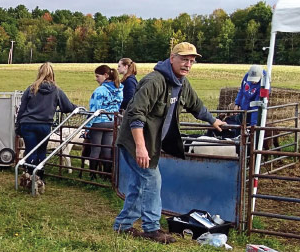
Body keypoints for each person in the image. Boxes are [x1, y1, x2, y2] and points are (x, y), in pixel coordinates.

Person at [113, 42, 225, 244]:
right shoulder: (154, 82)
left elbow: (196, 106)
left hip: (151, 144)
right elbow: (135, 114)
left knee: (140, 184)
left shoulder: (182, 84)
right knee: (152, 180)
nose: (188, 64)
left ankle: (123, 225)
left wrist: (213, 120)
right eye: (184, 59)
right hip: (134, 141)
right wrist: (140, 147)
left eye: (191, 61)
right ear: (172, 58)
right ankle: (151, 228)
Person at [15, 62, 78, 183]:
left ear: (39, 73)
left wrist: (18, 126)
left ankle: (28, 176)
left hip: (27, 124)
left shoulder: (31, 88)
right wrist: (78, 107)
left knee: (30, 149)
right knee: (41, 150)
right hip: (44, 125)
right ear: (52, 74)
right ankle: (39, 177)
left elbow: (21, 109)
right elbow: (67, 107)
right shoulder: (56, 90)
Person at [85, 65, 122, 177]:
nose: (96, 79)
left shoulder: (100, 90)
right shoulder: (119, 89)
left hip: (99, 121)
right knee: (107, 149)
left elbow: (94, 109)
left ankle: (93, 175)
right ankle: (106, 175)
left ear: (106, 76)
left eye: (97, 76)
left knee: (95, 148)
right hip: (112, 121)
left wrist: (88, 126)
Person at [219, 64, 266, 138]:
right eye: (252, 79)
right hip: (244, 106)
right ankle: (237, 141)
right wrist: (237, 103)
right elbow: (242, 90)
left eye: (255, 80)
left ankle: (252, 144)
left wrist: (253, 125)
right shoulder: (247, 76)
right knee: (239, 123)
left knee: (251, 129)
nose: (253, 82)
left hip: (253, 110)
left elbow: (257, 104)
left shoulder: (264, 84)